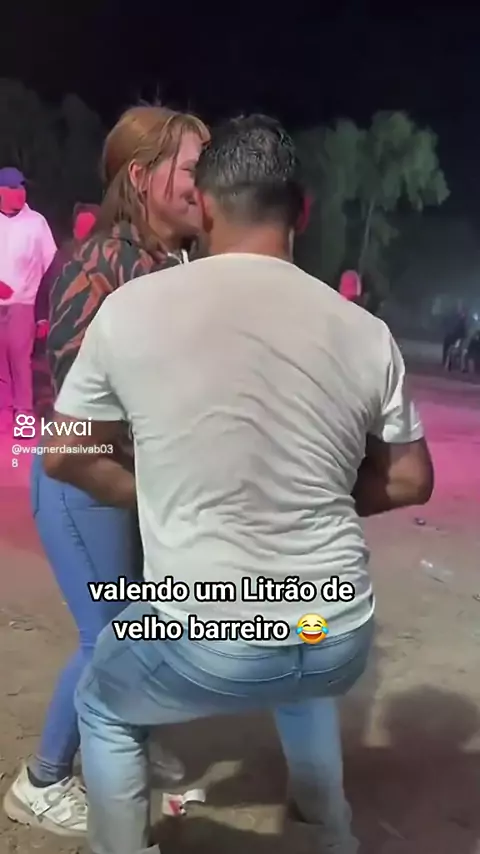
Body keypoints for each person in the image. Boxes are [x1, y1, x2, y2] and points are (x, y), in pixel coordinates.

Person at [34, 115, 433, 854]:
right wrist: (311, 495)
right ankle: (329, 834)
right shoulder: (364, 331)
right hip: (334, 631)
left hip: (211, 633)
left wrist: (157, 491)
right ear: (303, 213)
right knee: (302, 670)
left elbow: (62, 455)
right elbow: (411, 477)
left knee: (106, 699)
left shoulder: (135, 309)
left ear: (209, 208)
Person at [3, 105, 209, 838]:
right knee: (112, 636)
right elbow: (77, 399)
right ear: (142, 177)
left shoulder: (177, 264)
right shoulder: (101, 266)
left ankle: (122, 741)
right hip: (84, 481)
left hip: (136, 481)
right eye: (195, 168)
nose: (208, 184)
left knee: (147, 625)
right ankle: (42, 780)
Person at [0, 167, 57, 432]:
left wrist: (43, 313)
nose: (20, 192)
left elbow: (51, 268)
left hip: (24, 303)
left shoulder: (36, 223)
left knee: (20, 360)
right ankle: (4, 411)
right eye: (13, 188)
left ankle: (23, 412)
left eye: (22, 187)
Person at [33, 203, 100, 417]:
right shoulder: (65, 253)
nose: (81, 231)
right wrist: (42, 318)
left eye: (87, 226)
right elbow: (46, 285)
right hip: (66, 328)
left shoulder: (106, 254)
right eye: (79, 226)